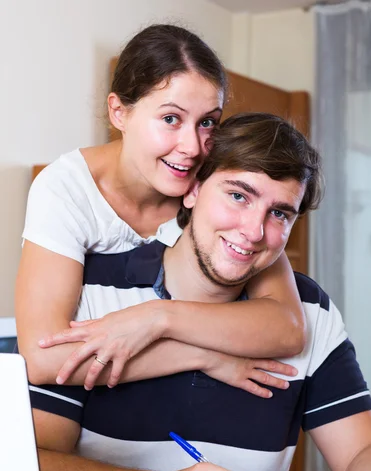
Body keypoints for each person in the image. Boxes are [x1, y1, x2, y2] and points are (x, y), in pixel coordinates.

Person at [29, 113, 371, 471]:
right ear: (192, 190)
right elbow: (34, 467)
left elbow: (363, 451)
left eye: (279, 214)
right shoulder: (92, 292)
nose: (253, 231)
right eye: (238, 196)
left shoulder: (311, 312)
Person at [15, 24, 306, 400]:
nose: (192, 147)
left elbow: (287, 326)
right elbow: (44, 358)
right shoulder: (65, 190)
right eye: (171, 119)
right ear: (119, 112)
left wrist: (157, 318)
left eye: (207, 123)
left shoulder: (212, 187)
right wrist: (204, 357)